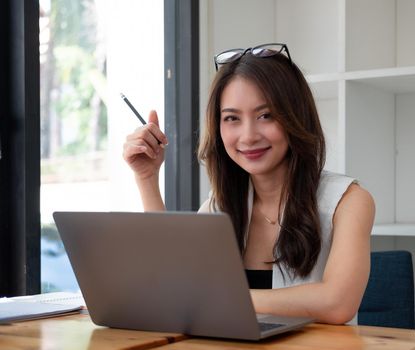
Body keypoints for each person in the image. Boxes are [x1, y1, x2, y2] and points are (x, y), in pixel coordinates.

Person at [123, 43, 375, 325]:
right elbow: (172, 283)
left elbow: (337, 304)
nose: (248, 135)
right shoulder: (219, 207)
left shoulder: (349, 201)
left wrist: (224, 298)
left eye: (266, 115)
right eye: (232, 118)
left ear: (296, 117)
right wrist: (147, 179)